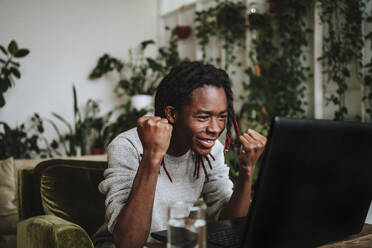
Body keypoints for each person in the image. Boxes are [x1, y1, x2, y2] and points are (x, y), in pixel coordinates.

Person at [93, 61, 267, 248]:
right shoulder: (128, 146)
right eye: (203, 117)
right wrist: (152, 156)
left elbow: (231, 225)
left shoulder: (211, 150)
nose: (215, 129)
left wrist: (246, 170)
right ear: (172, 114)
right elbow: (127, 242)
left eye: (222, 117)